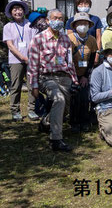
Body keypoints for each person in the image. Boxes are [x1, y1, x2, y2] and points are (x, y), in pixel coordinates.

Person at [27, 9, 78, 152]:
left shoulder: (65, 39)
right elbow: (32, 65)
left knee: (65, 109)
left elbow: (70, 62)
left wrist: (74, 79)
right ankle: (56, 139)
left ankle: (46, 121)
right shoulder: (38, 39)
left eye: (61, 19)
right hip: (47, 77)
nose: (58, 21)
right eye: (55, 18)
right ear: (48, 20)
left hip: (65, 77)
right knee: (59, 100)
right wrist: (34, 86)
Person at [3, 0, 38, 121]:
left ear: (24, 11)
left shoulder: (30, 24)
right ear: (11, 12)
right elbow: (10, 45)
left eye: (20, 9)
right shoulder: (8, 26)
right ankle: (15, 110)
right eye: (15, 9)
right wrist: (23, 57)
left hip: (31, 59)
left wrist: (30, 57)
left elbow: (34, 41)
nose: (18, 12)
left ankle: (32, 109)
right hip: (15, 60)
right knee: (15, 85)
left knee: (32, 85)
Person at [67, 12, 98, 132]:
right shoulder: (69, 39)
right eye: (80, 23)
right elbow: (67, 59)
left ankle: (84, 121)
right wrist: (74, 77)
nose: (83, 26)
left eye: (85, 23)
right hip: (72, 73)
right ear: (75, 25)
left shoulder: (92, 40)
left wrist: (85, 76)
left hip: (85, 74)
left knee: (85, 98)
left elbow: (92, 59)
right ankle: (74, 122)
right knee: (74, 98)